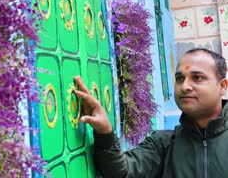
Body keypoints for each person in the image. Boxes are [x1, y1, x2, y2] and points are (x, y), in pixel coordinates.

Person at [74, 48, 228, 178]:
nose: (185, 86)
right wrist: (104, 132)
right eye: (180, 78)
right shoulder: (163, 144)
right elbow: (122, 172)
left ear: (222, 86)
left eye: (197, 78)